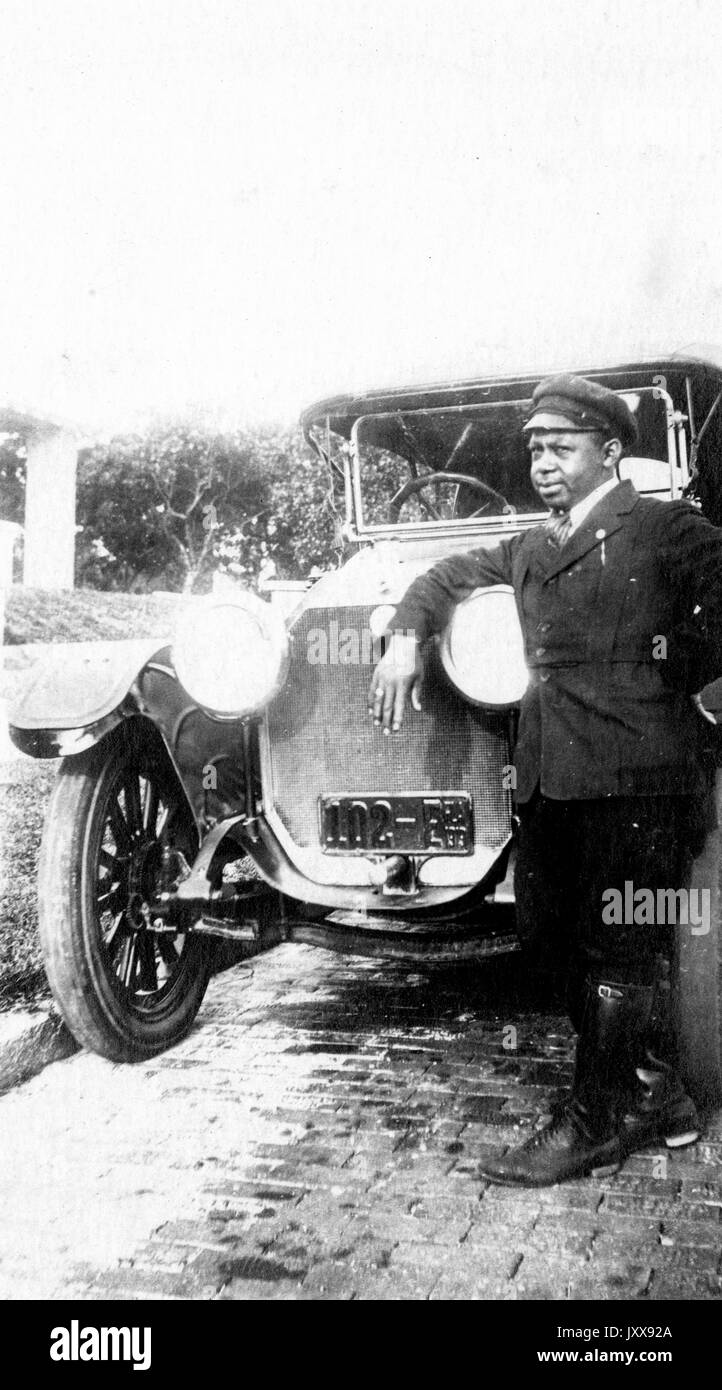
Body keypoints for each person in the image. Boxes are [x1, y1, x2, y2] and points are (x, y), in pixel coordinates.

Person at [368, 373, 722, 1186]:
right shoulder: (533, 544)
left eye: (562, 448)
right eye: (535, 448)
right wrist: (404, 635)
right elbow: (445, 575)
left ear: (609, 451)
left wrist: (682, 694)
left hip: (637, 783)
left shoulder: (666, 529)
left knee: (617, 951)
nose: (544, 463)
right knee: (549, 940)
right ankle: (654, 1093)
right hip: (552, 782)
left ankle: (594, 1120)